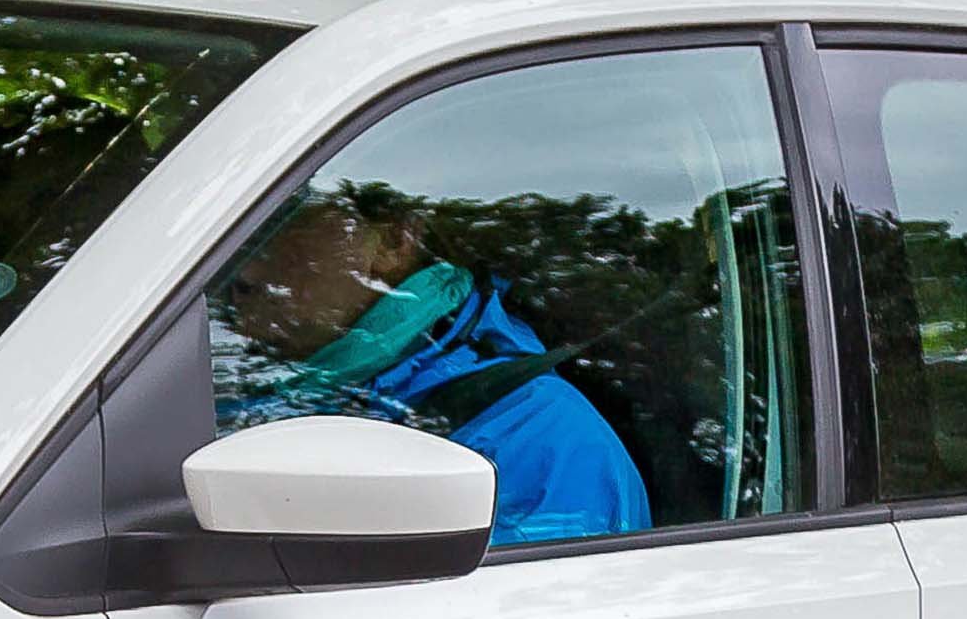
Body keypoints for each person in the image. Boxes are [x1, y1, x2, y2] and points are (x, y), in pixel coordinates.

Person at [213, 199, 651, 545]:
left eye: (286, 225)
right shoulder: (266, 384)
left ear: (393, 242)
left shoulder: (545, 438)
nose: (245, 271)